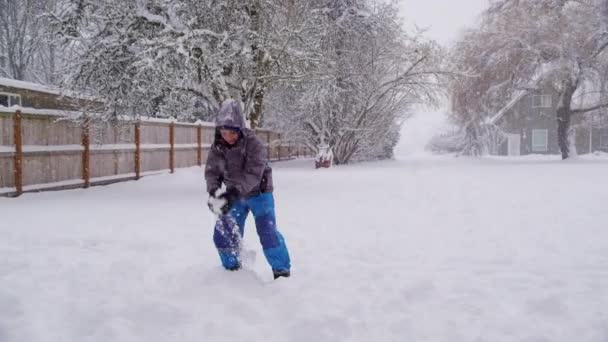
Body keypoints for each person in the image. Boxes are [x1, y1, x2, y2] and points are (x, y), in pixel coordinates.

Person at [205, 99, 291, 279]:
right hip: (233, 194)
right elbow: (212, 171)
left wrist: (232, 193)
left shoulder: (254, 144)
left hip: (259, 193)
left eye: (232, 132)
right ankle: (232, 272)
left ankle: (281, 271)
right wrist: (214, 192)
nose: (228, 137)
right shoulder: (218, 146)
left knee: (267, 233)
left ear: (240, 129)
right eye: (224, 132)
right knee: (223, 232)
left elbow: (253, 173)